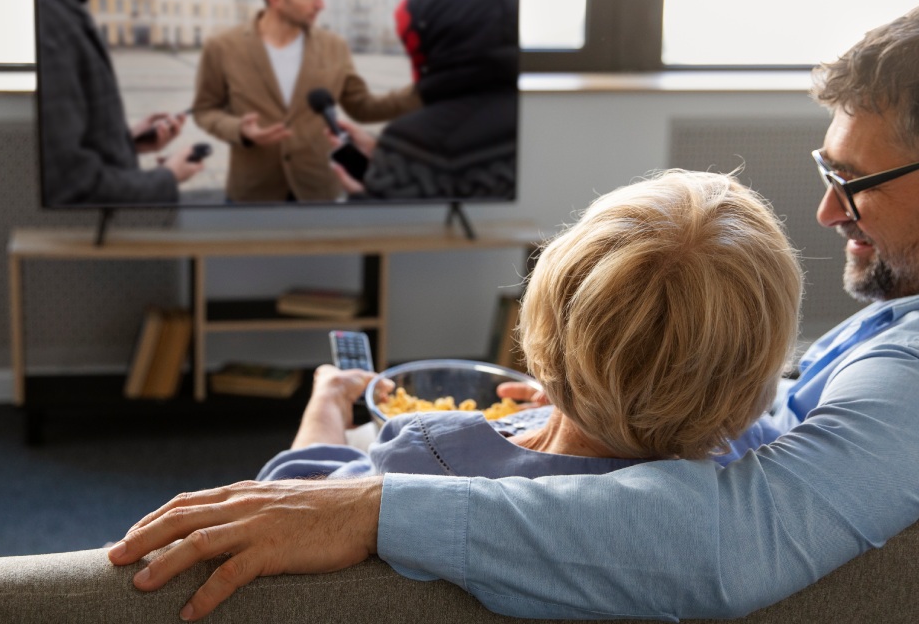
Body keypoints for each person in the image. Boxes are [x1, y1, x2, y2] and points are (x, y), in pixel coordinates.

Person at [103, 0, 919, 621]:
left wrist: (378, 505)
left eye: (857, 183)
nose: (825, 208)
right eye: (828, 169)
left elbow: (728, 543)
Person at [259, 170, 803, 482]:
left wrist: (328, 402)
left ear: (543, 323)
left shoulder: (428, 454)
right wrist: (594, 395)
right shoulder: (747, 464)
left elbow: (287, 499)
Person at [192, 0, 420, 203]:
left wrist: (426, 90)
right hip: (254, 191)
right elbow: (205, 109)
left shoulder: (335, 45)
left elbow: (363, 107)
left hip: (319, 188)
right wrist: (240, 130)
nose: (321, 4)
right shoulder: (222, 46)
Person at [35, 0, 202, 206]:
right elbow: (72, 188)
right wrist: (169, 176)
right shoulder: (44, 21)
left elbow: (62, 148)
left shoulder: (61, 3)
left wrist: (125, 142)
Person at [328, 0, 518, 201]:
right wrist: (383, 154)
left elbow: (392, 229)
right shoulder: (551, 115)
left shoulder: (417, 143)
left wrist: (368, 190)